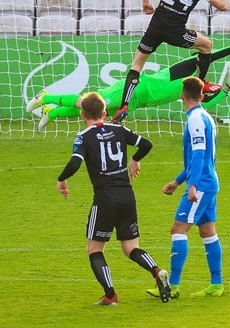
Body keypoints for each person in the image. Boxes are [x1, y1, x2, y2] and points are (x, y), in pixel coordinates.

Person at [55, 91, 171, 305]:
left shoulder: (83, 136)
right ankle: (157, 271)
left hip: (105, 199)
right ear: (105, 112)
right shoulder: (119, 129)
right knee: (131, 248)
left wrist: (61, 179)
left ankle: (110, 295)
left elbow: (74, 163)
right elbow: (146, 144)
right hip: (127, 196)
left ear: (82, 114)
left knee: (95, 250)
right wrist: (135, 159)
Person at [26, 37, 230, 131]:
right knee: (90, 103)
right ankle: (45, 97)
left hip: (136, 103)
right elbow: (210, 55)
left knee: (94, 114)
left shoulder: (192, 90)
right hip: (130, 90)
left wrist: (227, 88)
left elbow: (205, 105)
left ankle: (52, 112)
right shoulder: (186, 70)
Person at [113, 0, 228, 123]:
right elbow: (222, 5)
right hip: (176, 32)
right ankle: (200, 84)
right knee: (206, 45)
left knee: (136, 65)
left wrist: (146, 2)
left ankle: (124, 106)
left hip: (155, 28)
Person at [150, 77, 224, 299]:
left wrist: (191, 186)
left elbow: (200, 155)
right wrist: (177, 181)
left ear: (182, 95)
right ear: (202, 96)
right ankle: (216, 284)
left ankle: (172, 285)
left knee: (178, 229)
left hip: (200, 184)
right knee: (207, 232)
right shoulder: (206, 117)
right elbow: (197, 159)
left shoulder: (195, 120)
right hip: (208, 182)